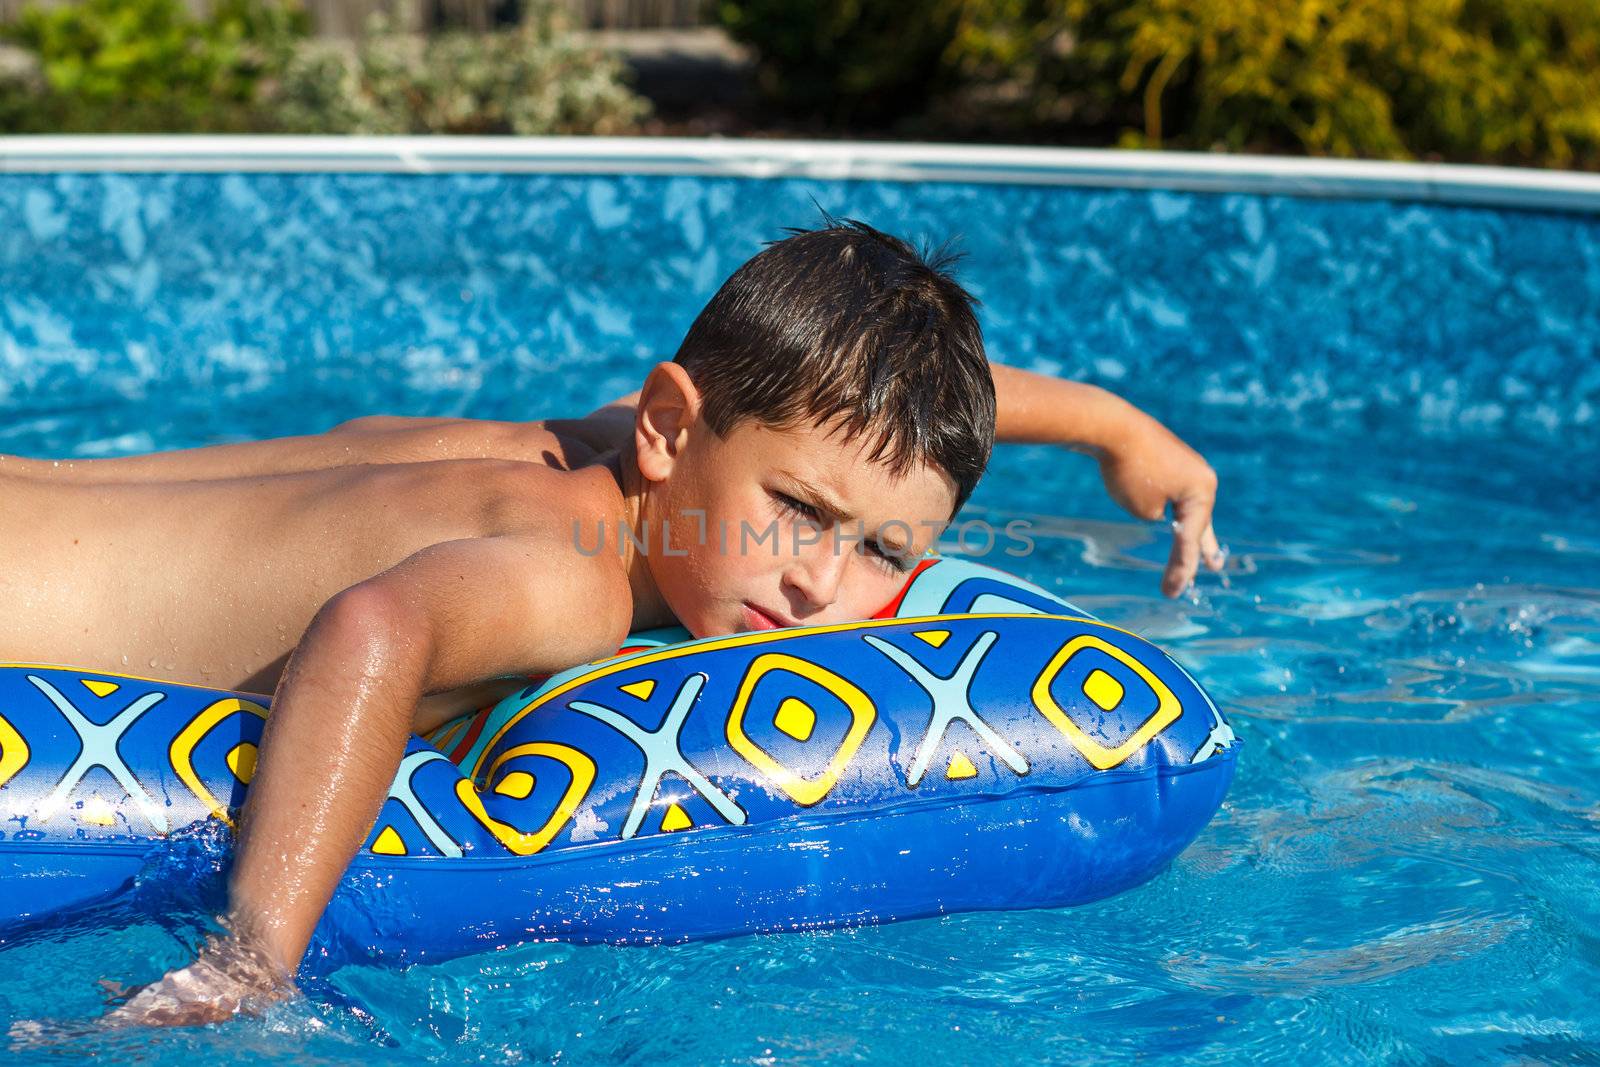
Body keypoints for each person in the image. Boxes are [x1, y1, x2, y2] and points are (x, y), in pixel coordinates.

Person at [0, 220, 1220, 1025]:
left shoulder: (613, 456)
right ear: (668, 430)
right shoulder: (576, 574)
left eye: (883, 554)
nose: (818, 585)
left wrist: (1118, 427)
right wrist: (252, 963)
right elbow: (374, 629)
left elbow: (835, 429)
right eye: (798, 515)